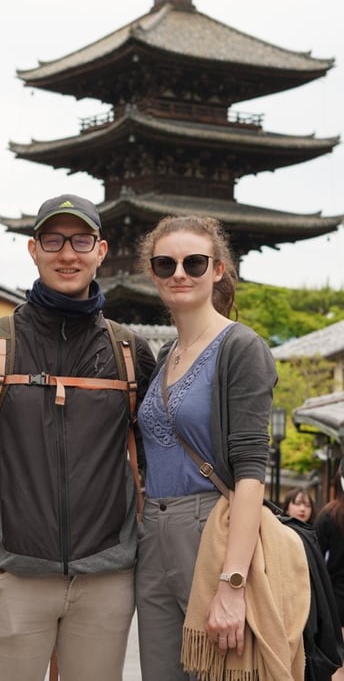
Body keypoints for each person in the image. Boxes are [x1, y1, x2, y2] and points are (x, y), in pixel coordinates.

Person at [0, 193, 155, 681]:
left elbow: (158, 453)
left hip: (107, 575)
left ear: (101, 250)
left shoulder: (130, 352)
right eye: (53, 239)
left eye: (80, 240)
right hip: (11, 574)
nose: (66, 253)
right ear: (33, 249)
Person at [134, 214, 278, 680]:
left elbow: (251, 472)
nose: (180, 273)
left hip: (212, 531)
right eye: (165, 263)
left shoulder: (241, 347)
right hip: (151, 534)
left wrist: (233, 583)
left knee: (220, 672)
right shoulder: (164, 356)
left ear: (218, 270)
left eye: (194, 262)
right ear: (152, 272)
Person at [315, 464, 344, 680]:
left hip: (334, 599)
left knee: (337, 663)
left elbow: (316, 560)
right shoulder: (330, 514)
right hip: (335, 599)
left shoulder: (328, 514)